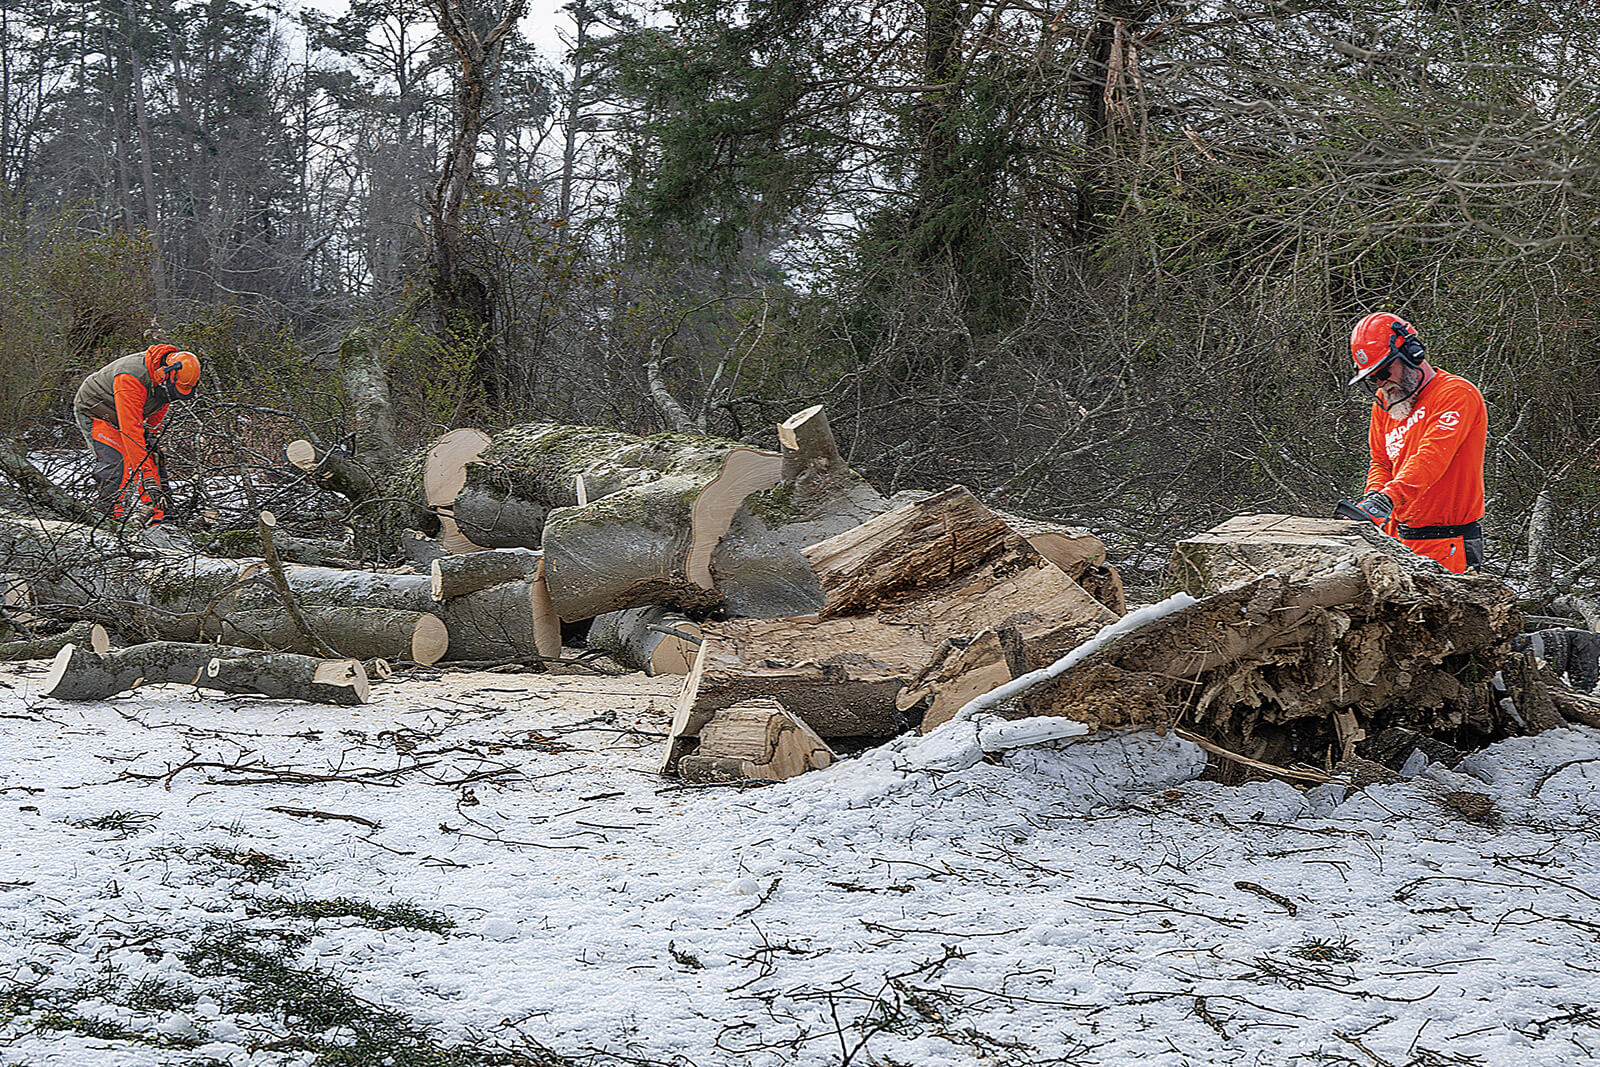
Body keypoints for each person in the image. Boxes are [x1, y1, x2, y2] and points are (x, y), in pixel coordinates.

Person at [1344, 312, 1486, 573]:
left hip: (1447, 544)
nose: (1382, 383)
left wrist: (1388, 497)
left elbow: (1432, 457)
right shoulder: (1386, 403)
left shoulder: (1456, 394)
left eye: (1385, 371)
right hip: (1398, 539)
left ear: (1412, 354)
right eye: (1373, 377)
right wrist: (1374, 498)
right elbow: (1381, 461)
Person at [73, 343, 201, 523]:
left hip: (129, 413)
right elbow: (130, 433)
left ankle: (162, 515)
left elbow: (161, 403)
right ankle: (107, 518)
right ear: (165, 373)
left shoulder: (167, 381)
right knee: (117, 462)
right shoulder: (130, 377)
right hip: (98, 410)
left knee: (153, 456)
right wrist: (147, 477)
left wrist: (151, 433)